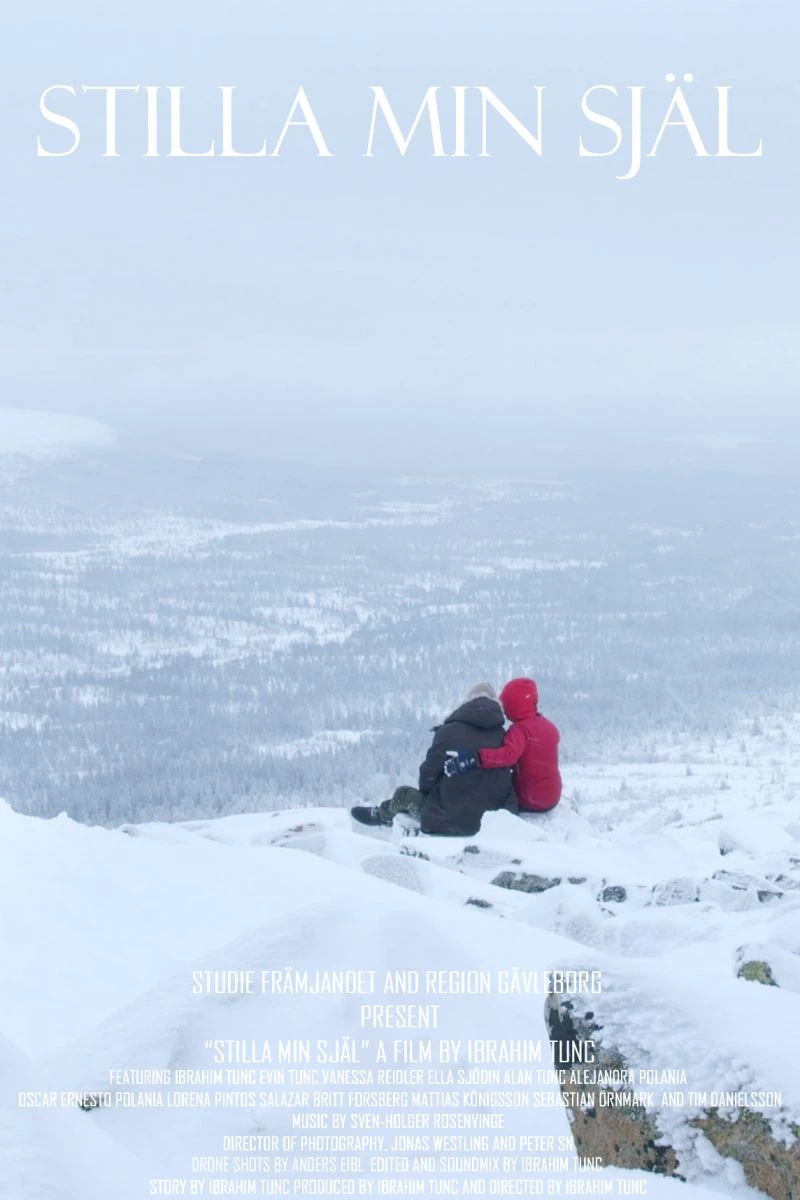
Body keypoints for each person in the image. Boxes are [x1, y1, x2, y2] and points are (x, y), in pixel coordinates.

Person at [351, 683, 515, 835]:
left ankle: (383, 815)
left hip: (446, 819)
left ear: (466, 703)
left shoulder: (448, 731)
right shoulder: (506, 737)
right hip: (489, 824)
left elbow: (427, 778)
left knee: (403, 795)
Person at [445, 677, 561, 813]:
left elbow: (508, 756)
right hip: (552, 797)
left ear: (514, 706)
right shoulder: (549, 726)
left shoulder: (520, 730)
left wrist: (476, 758)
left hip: (530, 799)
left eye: (505, 705)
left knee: (496, 783)